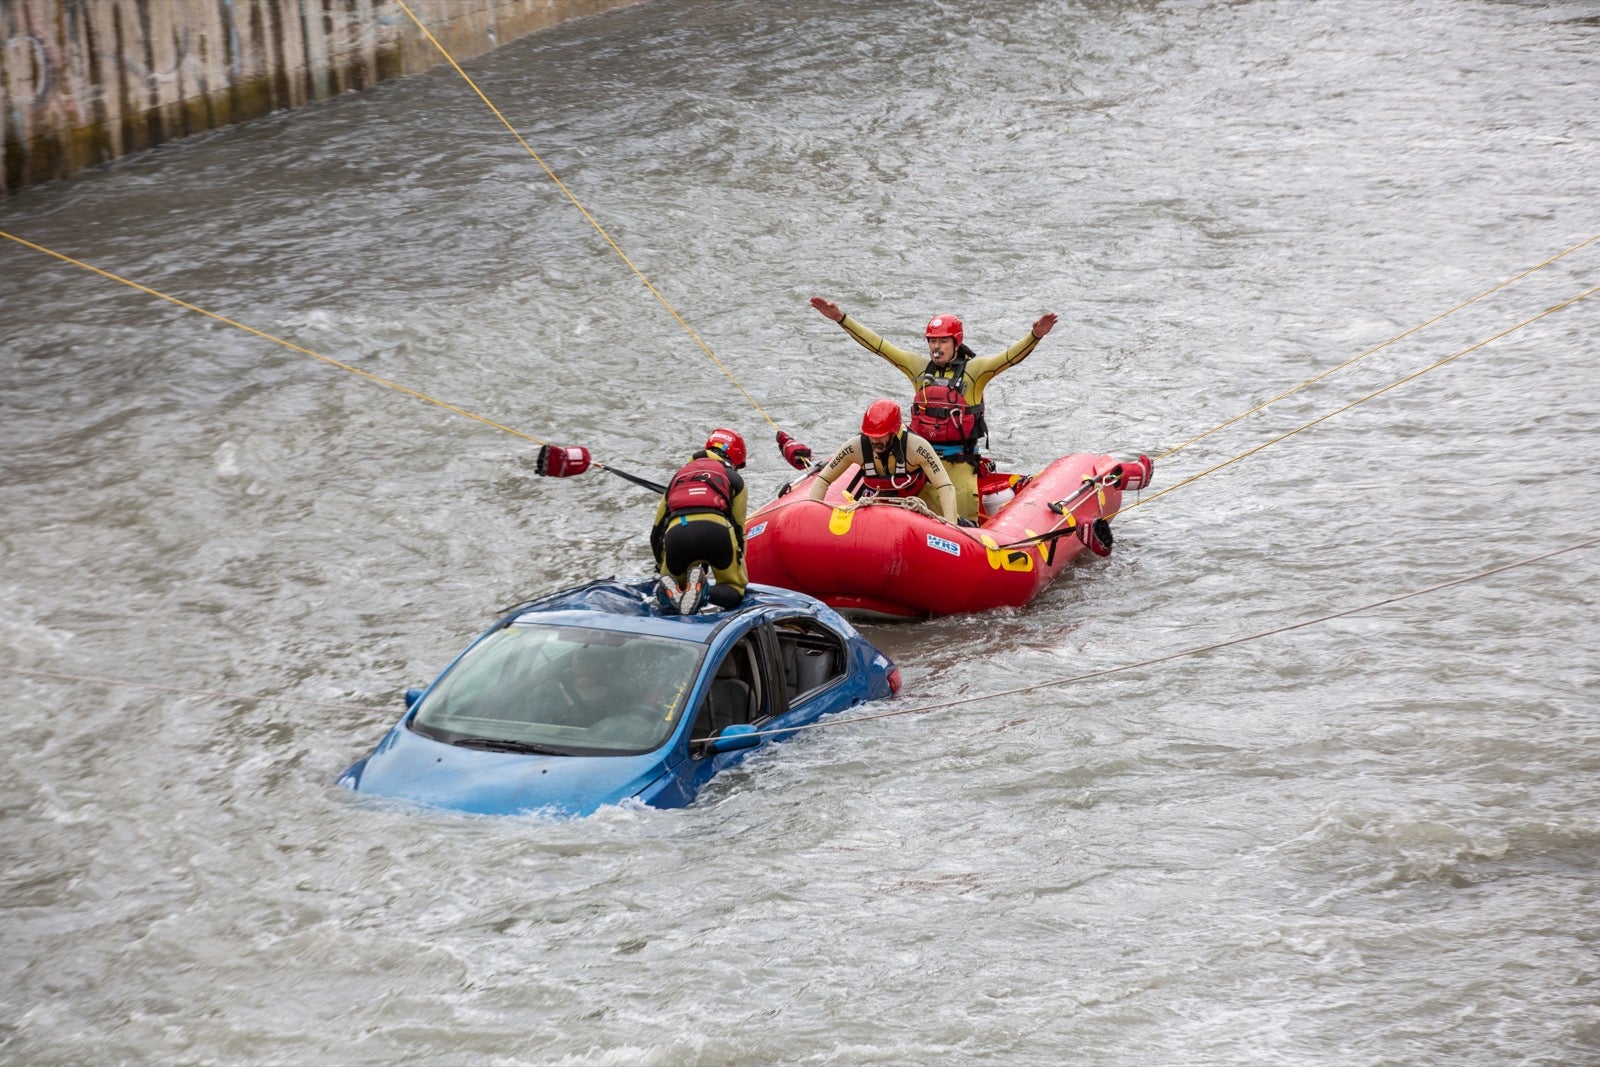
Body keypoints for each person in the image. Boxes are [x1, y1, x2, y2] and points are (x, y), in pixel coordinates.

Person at [809, 295, 1059, 521]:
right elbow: (880, 347)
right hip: (917, 464)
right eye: (932, 341)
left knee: (963, 524)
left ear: (956, 342)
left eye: (942, 341)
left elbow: (1008, 358)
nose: (936, 347)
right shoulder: (918, 368)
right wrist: (841, 318)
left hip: (959, 466)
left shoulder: (976, 371)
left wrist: (1035, 336)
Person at [807, 399, 969, 526]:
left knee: (959, 523)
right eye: (870, 435)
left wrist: (950, 526)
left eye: (880, 436)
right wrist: (812, 518)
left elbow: (945, 486)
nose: (874, 440)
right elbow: (823, 480)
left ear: (894, 432)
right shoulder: (855, 447)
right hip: (879, 503)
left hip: (920, 501)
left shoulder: (917, 447)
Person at [650, 428, 749, 614]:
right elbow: (738, 529)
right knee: (734, 590)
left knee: (674, 593)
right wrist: (739, 568)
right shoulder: (734, 478)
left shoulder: (679, 476)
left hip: (677, 533)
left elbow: (656, 531)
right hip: (717, 531)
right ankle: (704, 591)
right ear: (736, 458)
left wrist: (660, 565)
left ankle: (673, 590)